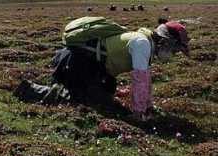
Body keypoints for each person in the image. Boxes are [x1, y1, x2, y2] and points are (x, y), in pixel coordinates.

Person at [14, 19, 190, 118]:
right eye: (175, 50)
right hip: (78, 63)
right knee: (86, 102)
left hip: (88, 65)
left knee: (105, 99)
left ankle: (70, 88)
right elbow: (140, 81)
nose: (174, 55)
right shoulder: (143, 44)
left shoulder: (145, 43)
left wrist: (148, 106)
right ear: (165, 42)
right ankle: (30, 90)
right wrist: (138, 113)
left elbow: (146, 80)